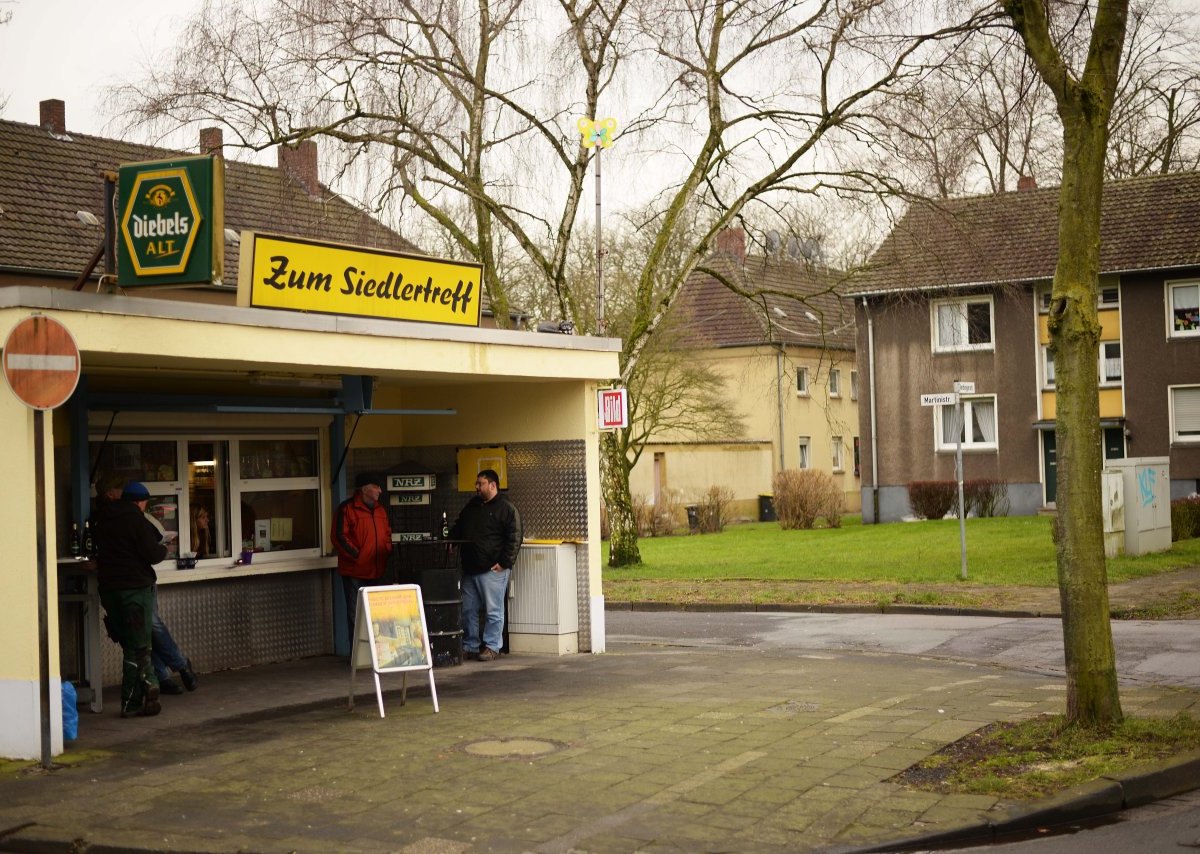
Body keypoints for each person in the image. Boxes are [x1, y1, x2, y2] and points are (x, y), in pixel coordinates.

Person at [93, 481, 167, 717]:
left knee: (129, 644)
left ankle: (148, 686)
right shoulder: (137, 520)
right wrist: (165, 549)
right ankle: (133, 699)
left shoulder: (102, 519)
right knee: (139, 648)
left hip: (109, 591)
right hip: (134, 590)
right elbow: (153, 554)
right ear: (140, 502)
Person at [450, 469, 522, 662]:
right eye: (477, 483)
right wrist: (451, 540)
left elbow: (515, 536)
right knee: (468, 609)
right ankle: (470, 645)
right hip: (470, 568)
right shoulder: (472, 506)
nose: (476, 487)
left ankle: (491, 646)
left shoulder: (506, 508)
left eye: (480, 483)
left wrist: (505, 563)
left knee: (493, 610)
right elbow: (459, 525)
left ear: (492, 485)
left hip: (493, 569)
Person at [332, 472, 393, 649]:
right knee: (356, 615)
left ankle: (378, 652)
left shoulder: (381, 509)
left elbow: (387, 534)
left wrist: (386, 549)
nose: (380, 491)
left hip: (377, 569)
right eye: (376, 487)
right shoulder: (347, 509)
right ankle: (358, 655)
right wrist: (358, 556)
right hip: (355, 571)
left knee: (378, 614)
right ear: (365, 489)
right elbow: (339, 537)